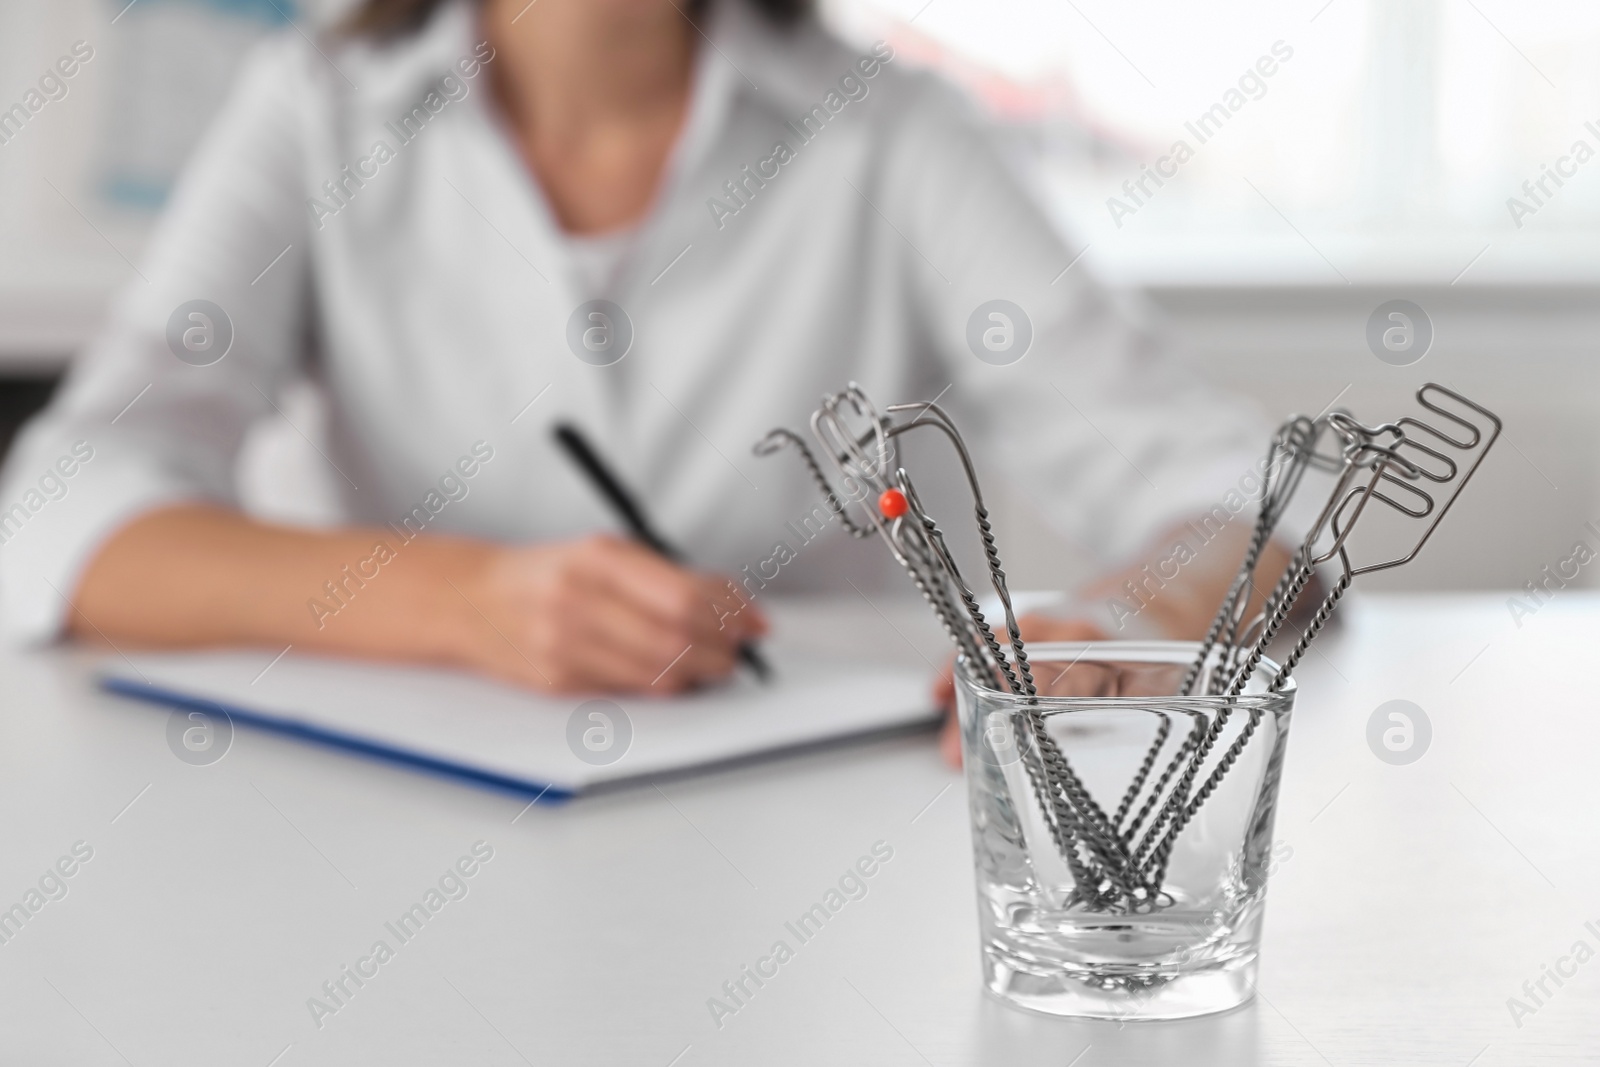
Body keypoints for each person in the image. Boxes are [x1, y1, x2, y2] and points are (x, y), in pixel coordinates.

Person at [0, 0, 1289, 763]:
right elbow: (54, 515)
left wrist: (1126, 631)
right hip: (408, 849)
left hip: (818, 858)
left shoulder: (893, 136)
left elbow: (1257, 507)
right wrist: (463, 602)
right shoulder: (315, 106)